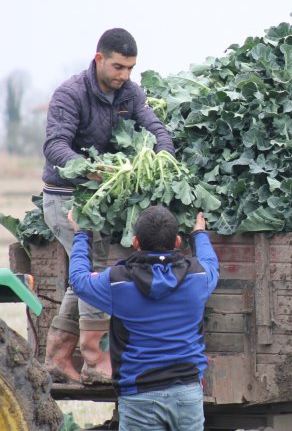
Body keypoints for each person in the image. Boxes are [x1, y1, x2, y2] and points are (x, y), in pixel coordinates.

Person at [42, 28, 175, 384]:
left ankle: (57, 357)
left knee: (83, 277)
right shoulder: (70, 94)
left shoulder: (129, 93)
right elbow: (55, 147)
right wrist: (89, 170)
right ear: (99, 58)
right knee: (96, 272)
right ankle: (96, 361)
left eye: (130, 68)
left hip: (99, 199)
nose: (124, 76)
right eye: (118, 67)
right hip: (66, 197)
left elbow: (156, 128)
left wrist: (164, 155)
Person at [68, 206, 218, 431]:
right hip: (187, 395)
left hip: (139, 397)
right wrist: (199, 234)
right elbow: (211, 263)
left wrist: (81, 235)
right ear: (178, 242)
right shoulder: (198, 277)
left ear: (135, 242)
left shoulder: (118, 283)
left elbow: (79, 280)